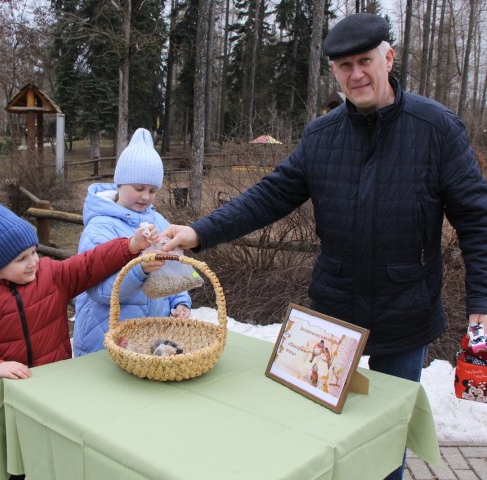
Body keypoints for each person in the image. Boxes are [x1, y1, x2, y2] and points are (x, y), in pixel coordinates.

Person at [161, 13, 487, 479]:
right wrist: (199, 232)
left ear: (388, 58)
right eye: (344, 65)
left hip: (406, 309)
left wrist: (481, 300)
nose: (356, 74)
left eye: (365, 61)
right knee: (326, 433)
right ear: (333, 71)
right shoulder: (321, 136)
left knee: (386, 440)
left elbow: (477, 219)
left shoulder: (436, 129)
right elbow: (269, 195)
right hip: (333, 314)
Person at [0, 200, 158, 425]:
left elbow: (89, 264)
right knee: (8, 453)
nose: (33, 263)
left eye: (33, 252)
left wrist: (131, 245)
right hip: (5, 401)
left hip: (54, 390)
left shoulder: (51, 275)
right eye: (21, 259)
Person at [73, 127, 192, 356]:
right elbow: (100, 292)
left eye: (152, 190)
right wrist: (140, 270)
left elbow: (174, 269)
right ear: (120, 183)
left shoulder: (158, 220)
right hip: (104, 343)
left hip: (148, 341)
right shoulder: (100, 228)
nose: (145, 196)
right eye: (138, 188)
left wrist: (180, 301)